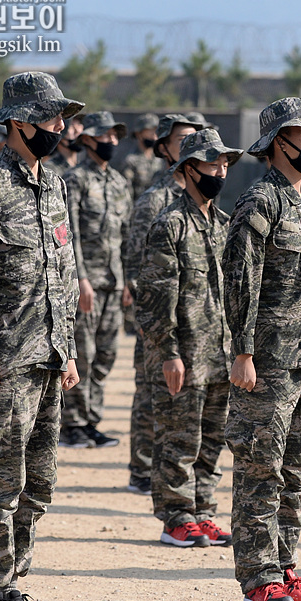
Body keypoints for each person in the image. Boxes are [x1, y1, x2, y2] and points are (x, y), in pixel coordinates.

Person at [0, 71, 83, 601]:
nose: (60, 127)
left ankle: (13, 584)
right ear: (20, 124)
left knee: (37, 484)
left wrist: (68, 351)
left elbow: (62, 276)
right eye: (51, 118)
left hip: (48, 361)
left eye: (62, 118)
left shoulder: (53, 185)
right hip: (3, 364)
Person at [223, 97, 301, 601]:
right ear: (278, 143)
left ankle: (285, 567)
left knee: (294, 473)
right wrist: (242, 352)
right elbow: (240, 283)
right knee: (258, 470)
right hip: (266, 364)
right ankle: (257, 578)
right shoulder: (258, 201)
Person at [137, 128, 240, 548]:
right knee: (179, 438)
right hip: (183, 354)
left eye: (224, 163)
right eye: (212, 163)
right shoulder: (170, 225)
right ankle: (176, 515)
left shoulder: (225, 223)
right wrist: (169, 354)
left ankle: (203, 509)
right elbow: (156, 298)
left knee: (214, 436)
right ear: (189, 168)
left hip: (219, 352)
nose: (219, 170)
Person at [121, 114, 205, 493]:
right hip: (159, 314)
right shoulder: (155, 199)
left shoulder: (200, 197)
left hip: (192, 314)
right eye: (185, 138)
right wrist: (146, 316)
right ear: (164, 148)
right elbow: (137, 259)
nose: (193, 145)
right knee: (149, 390)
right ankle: (141, 468)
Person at [60, 111, 132, 449]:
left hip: (114, 283)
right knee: (83, 355)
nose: (111, 142)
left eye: (115, 137)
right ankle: (73, 423)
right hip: (86, 284)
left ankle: (92, 421)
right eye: (105, 136)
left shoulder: (119, 182)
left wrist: (128, 280)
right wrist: (81, 279)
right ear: (87, 140)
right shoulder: (74, 180)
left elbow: (127, 236)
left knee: (105, 357)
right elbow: (70, 234)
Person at [119, 113, 162, 202]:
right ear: (139, 134)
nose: (154, 136)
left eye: (156, 131)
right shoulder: (131, 161)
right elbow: (126, 194)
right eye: (150, 131)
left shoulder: (160, 158)